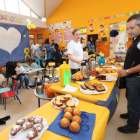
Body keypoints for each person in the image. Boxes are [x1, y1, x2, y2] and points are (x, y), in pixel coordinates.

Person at [117, 14, 140, 134]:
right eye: (127, 28)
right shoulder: (135, 39)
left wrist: (127, 71)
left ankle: (133, 126)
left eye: (132, 28)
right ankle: (131, 114)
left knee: (134, 102)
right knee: (130, 98)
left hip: (135, 78)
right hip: (131, 77)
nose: (129, 31)